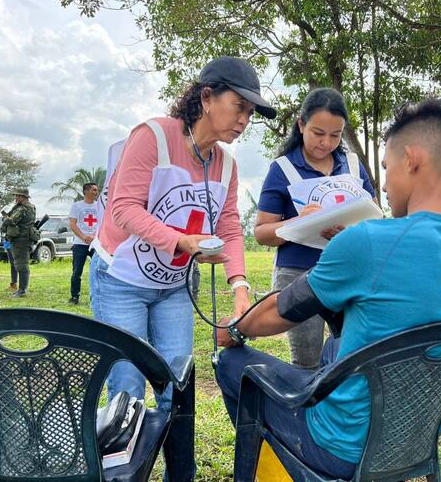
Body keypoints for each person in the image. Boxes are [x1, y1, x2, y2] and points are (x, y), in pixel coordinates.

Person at [215, 98, 441, 479]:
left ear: (412, 159)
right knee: (334, 348)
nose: (384, 186)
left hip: (337, 447)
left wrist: (235, 329)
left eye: (387, 169)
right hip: (416, 443)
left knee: (230, 362)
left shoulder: (368, 242)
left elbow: (279, 311)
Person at [89, 56, 276, 419]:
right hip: (121, 281)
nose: (244, 120)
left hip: (173, 286)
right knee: (127, 388)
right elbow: (123, 208)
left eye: (250, 113)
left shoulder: (226, 165)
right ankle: (126, 457)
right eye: (239, 106)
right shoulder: (154, 136)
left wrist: (240, 288)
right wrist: (184, 242)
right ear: (206, 97)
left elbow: (229, 227)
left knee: (178, 384)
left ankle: (176, 456)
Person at [254, 87, 375, 369]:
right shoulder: (282, 169)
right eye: (318, 133)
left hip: (347, 271)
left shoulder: (353, 165)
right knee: (306, 362)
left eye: (335, 135)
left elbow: (373, 217)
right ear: (301, 124)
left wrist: (352, 232)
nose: (326, 143)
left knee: (352, 357)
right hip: (297, 275)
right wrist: (299, 222)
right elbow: (261, 232)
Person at [1, 188, 37, 298]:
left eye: (17, 196)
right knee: (21, 263)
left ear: (22, 197)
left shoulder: (23, 208)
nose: (16, 198)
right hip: (24, 238)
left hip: (21, 239)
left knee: (21, 264)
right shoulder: (31, 207)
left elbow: (12, 221)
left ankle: (22, 290)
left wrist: (5, 217)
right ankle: (22, 289)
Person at [68, 182, 99, 305]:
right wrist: (84, 237)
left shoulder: (99, 206)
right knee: (77, 272)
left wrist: (93, 236)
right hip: (79, 244)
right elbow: (73, 224)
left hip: (95, 244)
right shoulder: (76, 206)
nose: (96, 192)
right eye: (93, 190)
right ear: (86, 191)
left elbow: (103, 223)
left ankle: (96, 297)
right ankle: (74, 297)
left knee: (97, 271)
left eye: (96, 190)